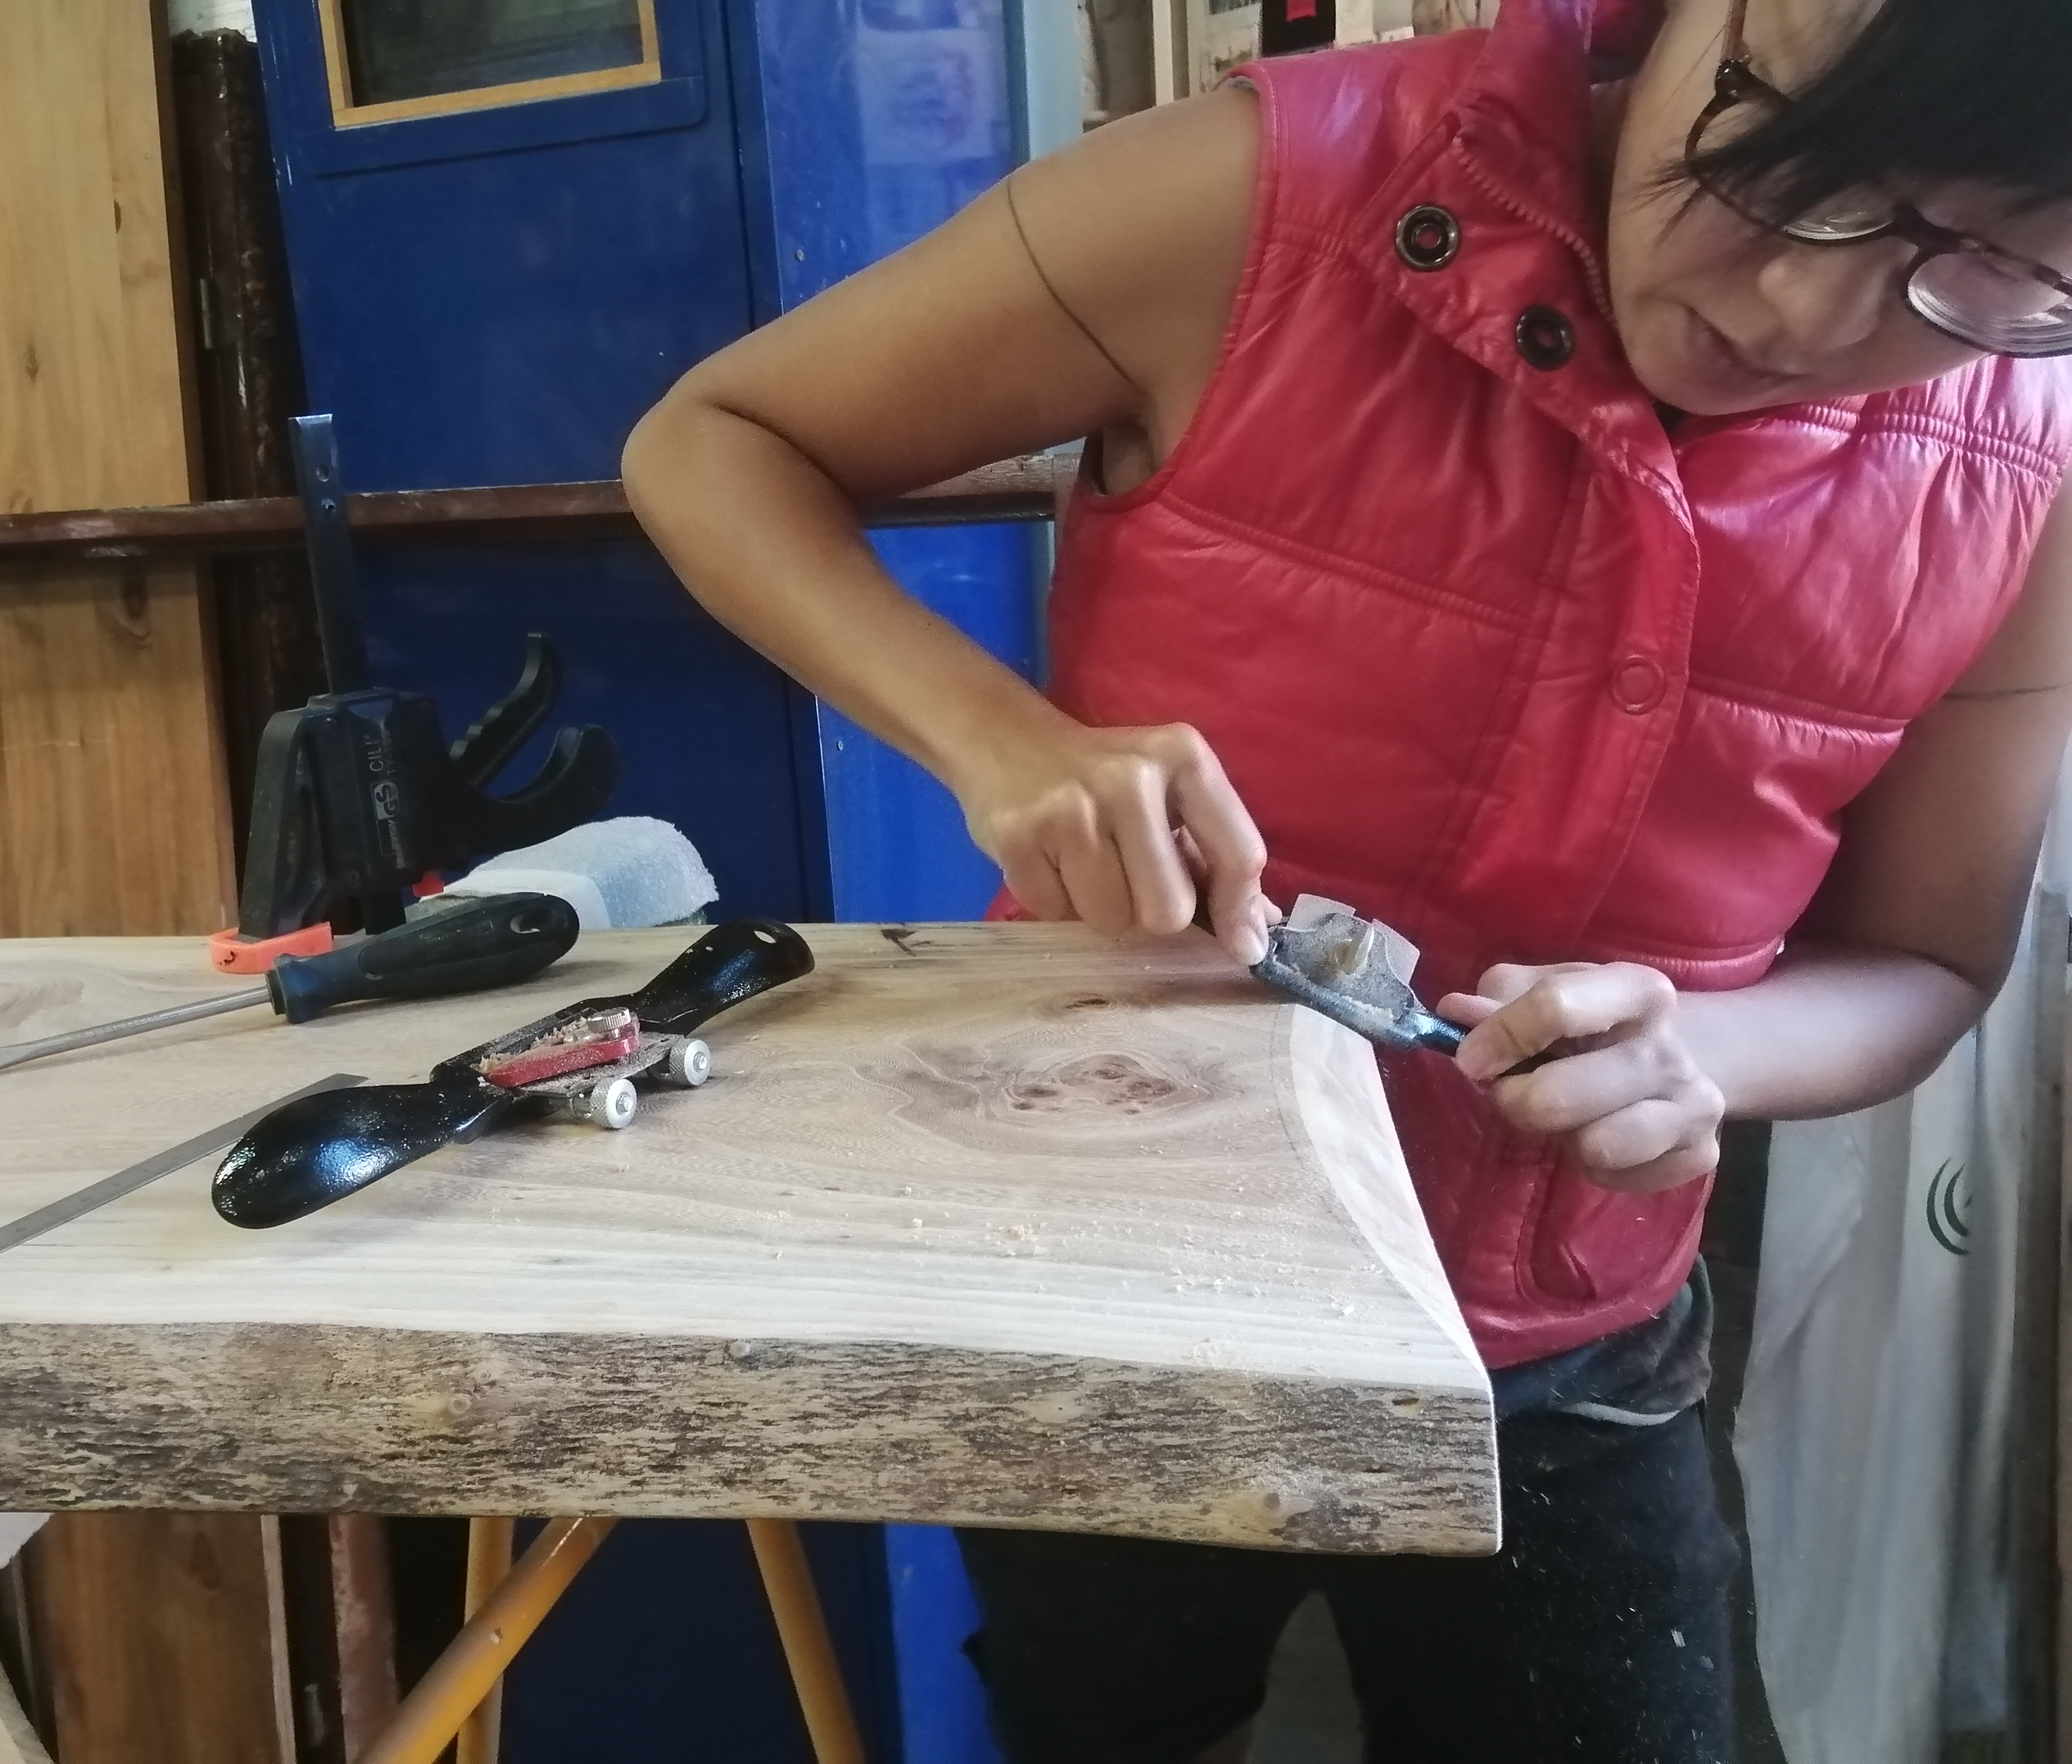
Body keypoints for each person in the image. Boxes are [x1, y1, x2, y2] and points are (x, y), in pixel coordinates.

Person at [621, 0, 2072, 1756]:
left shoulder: (2033, 458)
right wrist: (1001, 741)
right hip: (1121, 1268)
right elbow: (715, 438)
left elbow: (1927, 957)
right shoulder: (1260, 197)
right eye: (1789, 176)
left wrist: (1699, 1052)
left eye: (1984, 271)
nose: (1802, 314)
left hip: (1573, 1332)